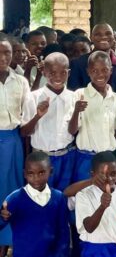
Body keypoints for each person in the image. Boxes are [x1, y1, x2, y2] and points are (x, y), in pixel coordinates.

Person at [0, 152, 79, 257]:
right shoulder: (15, 198)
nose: (36, 178)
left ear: (51, 171)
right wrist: (3, 217)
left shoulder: (58, 198)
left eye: (41, 172)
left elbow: (63, 232)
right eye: (31, 173)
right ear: (24, 174)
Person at [21, 53, 76, 191]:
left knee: (64, 196)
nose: (58, 77)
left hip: (67, 155)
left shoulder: (73, 97)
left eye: (63, 73)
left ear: (68, 73)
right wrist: (37, 116)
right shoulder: (33, 97)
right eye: (52, 73)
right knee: (41, 195)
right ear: (44, 72)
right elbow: (24, 132)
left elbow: (74, 130)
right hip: (41, 159)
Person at [68, 51, 116, 181]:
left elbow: (115, 130)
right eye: (95, 71)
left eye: (105, 70)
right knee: (85, 195)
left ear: (111, 70)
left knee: (106, 195)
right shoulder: (80, 95)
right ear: (88, 71)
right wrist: (77, 111)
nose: (100, 74)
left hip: (109, 157)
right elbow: (72, 130)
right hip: (86, 158)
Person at [0, 38, 31, 257]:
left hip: (13, 141)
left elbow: (27, 116)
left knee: (11, 191)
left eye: (7, 53)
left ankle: (9, 246)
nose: (3, 57)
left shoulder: (20, 81)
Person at [68, 23, 116, 95]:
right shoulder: (78, 64)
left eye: (108, 34)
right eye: (98, 34)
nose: (103, 37)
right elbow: (73, 93)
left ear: (114, 38)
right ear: (91, 37)